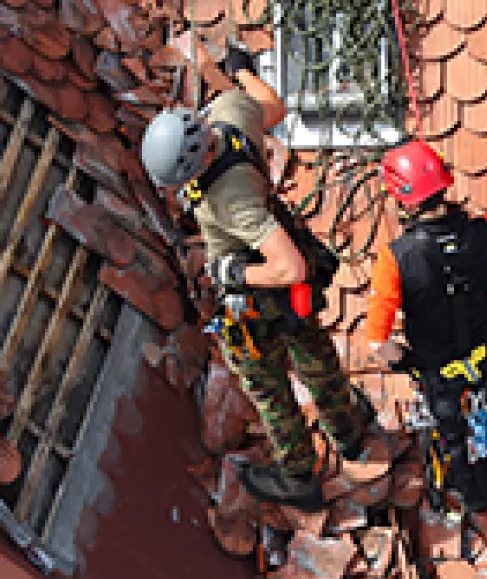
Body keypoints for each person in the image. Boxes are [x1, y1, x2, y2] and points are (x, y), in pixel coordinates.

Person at [140, 42, 371, 510]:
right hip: (283, 249)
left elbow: (289, 268)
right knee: (310, 345)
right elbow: (273, 107)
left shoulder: (231, 201)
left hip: (260, 286)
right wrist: (242, 72)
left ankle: (298, 475)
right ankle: (347, 429)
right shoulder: (228, 112)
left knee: (267, 386)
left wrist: (235, 270)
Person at [366, 139, 487, 541]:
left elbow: (378, 342)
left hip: (443, 376)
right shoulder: (486, 230)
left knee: (455, 442)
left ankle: (478, 499)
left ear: (402, 199)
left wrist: (408, 361)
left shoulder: (395, 258)